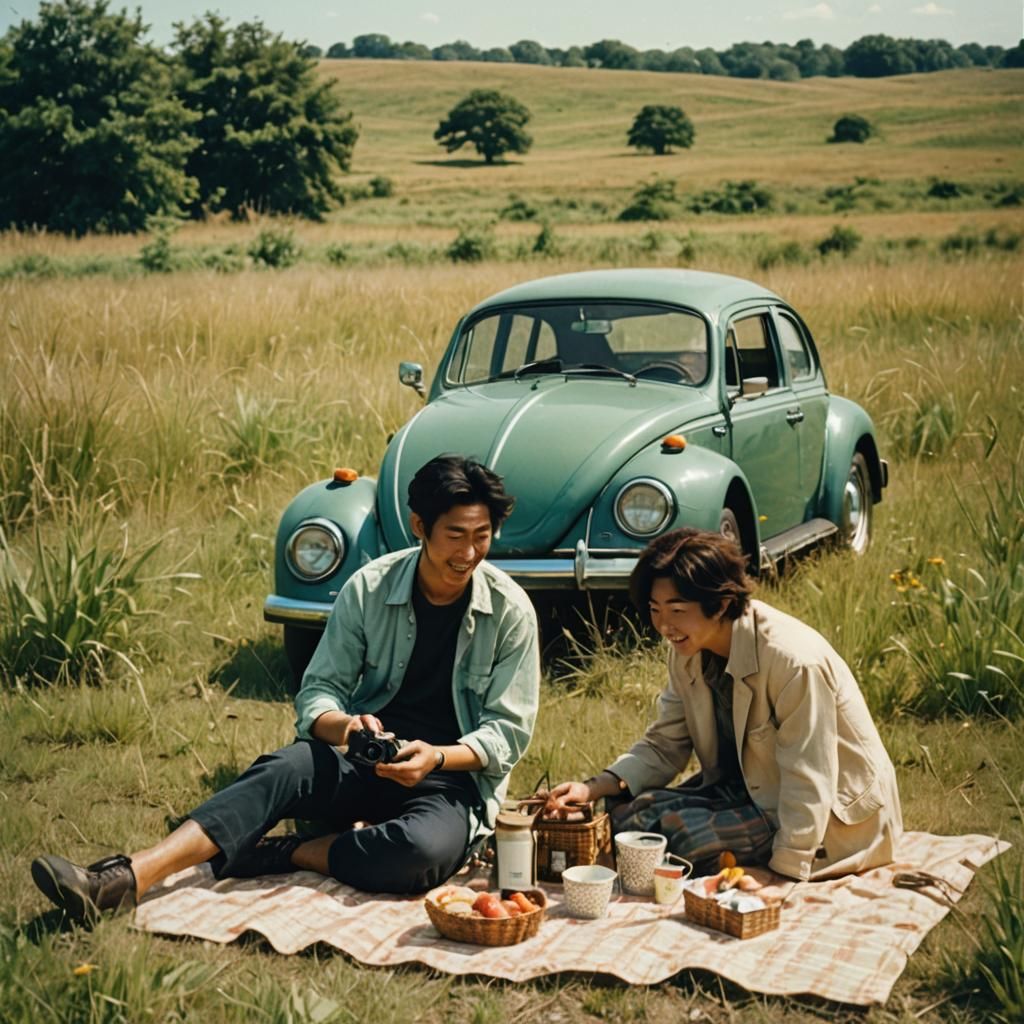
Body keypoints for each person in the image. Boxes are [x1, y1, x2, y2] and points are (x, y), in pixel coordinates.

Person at [32, 455, 540, 922]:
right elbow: (319, 692)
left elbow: (507, 733)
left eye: (482, 535)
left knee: (419, 855)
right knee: (281, 770)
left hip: (449, 782)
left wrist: (436, 757)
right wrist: (348, 727)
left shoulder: (511, 611)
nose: (469, 552)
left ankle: (288, 852)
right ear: (419, 527)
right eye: (455, 535)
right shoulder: (369, 587)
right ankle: (124, 878)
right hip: (361, 759)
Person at [545, 527, 902, 882]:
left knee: (682, 839)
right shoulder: (687, 650)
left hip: (826, 814)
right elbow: (665, 743)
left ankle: (761, 855)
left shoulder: (793, 662)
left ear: (721, 604)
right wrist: (593, 787)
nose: (664, 625)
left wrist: (783, 873)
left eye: (677, 610)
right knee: (626, 817)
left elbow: (809, 775)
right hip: (746, 789)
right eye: (655, 609)